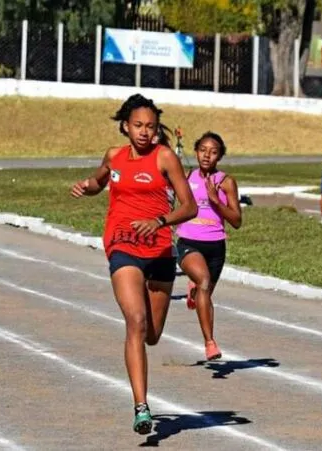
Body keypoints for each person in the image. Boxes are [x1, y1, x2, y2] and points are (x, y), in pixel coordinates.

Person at [69, 94, 196, 435]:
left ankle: (142, 389)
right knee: (135, 322)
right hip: (122, 245)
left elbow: (190, 207)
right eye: (138, 125)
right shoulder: (114, 156)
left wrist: (160, 221)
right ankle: (141, 406)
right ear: (125, 126)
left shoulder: (165, 157)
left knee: (151, 335)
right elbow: (99, 181)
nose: (144, 132)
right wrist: (87, 186)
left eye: (150, 127)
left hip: (159, 252)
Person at [175, 131, 242, 362]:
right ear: (196, 152)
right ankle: (210, 343)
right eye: (203, 150)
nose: (207, 156)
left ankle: (194, 293)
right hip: (188, 242)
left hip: (215, 246)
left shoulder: (226, 182)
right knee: (203, 281)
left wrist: (215, 201)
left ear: (219, 157)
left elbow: (236, 221)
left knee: (205, 294)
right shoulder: (186, 177)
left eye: (213, 152)